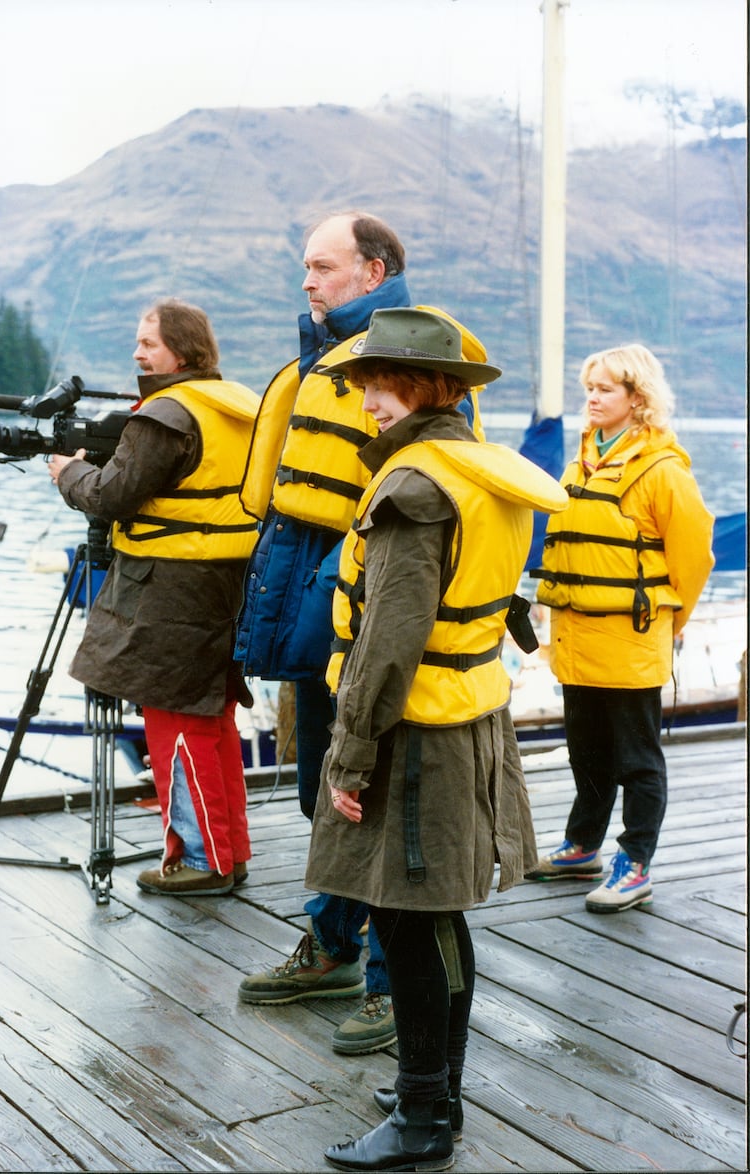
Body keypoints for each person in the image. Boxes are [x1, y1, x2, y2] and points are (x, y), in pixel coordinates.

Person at [300, 307, 567, 1172]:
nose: (365, 399)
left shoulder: (414, 489)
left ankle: (423, 1120)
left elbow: (388, 641)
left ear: (424, 388)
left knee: (410, 922)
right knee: (434, 919)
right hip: (468, 713)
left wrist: (347, 754)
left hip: (415, 727)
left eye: (378, 383)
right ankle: (434, 1087)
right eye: (362, 383)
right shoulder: (475, 469)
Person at [235, 210, 490, 1056]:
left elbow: (448, 487)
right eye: (304, 268)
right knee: (321, 790)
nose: (306, 282)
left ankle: (390, 980)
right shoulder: (318, 356)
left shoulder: (423, 363)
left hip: (365, 597)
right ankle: (334, 945)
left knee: (369, 791)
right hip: (307, 592)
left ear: (373, 273)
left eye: (321, 266)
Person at [47, 298, 260, 896]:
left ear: (184, 352)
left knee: (174, 724)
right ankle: (228, 850)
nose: (138, 352)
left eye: (149, 343)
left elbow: (112, 496)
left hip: (171, 591)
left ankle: (199, 858)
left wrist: (68, 473)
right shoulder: (236, 407)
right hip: (224, 584)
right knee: (211, 720)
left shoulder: (165, 414)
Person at [527, 343, 715, 911]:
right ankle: (583, 844)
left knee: (637, 758)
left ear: (638, 399)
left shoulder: (663, 472)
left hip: (632, 639)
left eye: (606, 388)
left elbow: (693, 559)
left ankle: (634, 862)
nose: (592, 397)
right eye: (590, 386)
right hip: (577, 637)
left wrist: (669, 622)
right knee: (585, 750)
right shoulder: (580, 460)